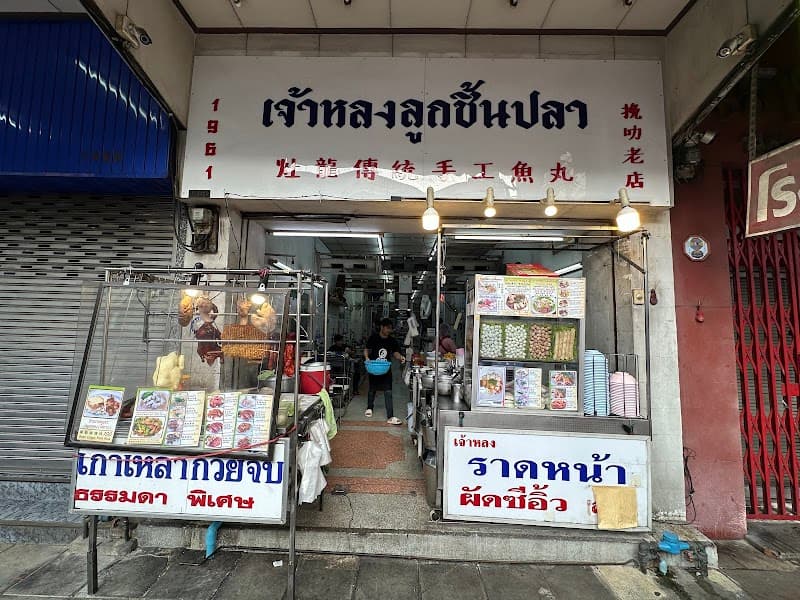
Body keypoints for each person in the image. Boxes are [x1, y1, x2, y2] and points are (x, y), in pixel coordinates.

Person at [364, 318, 406, 425]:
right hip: (374, 367)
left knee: (388, 391)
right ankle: (369, 407)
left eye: (390, 328)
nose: (389, 330)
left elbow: (395, 352)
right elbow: (366, 349)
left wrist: (400, 357)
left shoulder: (392, 340)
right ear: (382, 327)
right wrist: (367, 358)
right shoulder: (374, 338)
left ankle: (390, 416)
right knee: (372, 389)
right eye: (387, 328)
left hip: (386, 369)